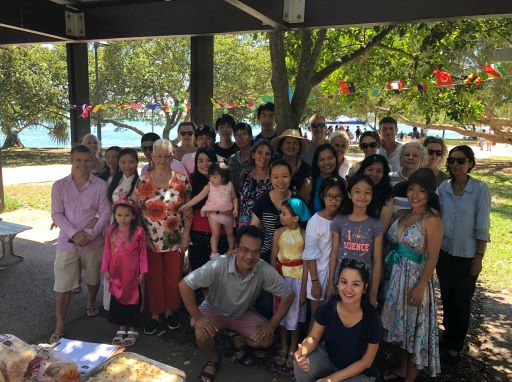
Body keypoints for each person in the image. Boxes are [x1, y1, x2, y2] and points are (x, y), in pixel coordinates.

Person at [179, 226, 294, 382]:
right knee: (201, 332)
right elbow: (184, 285)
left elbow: (288, 295)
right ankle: (213, 359)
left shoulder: (263, 269)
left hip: (241, 314)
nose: (249, 256)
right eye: (245, 250)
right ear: (236, 248)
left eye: (255, 251)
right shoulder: (220, 264)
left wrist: (272, 325)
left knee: (267, 339)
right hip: (214, 309)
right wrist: (198, 318)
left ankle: (237, 340)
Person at [380, 168, 442, 380]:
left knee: (414, 331)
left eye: (421, 191)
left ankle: (410, 378)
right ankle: (402, 369)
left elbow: (433, 257)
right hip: (396, 278)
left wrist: (421, 285)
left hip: (415, 280)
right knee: (401, 329)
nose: (414, 195)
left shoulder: (431, 220)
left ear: (429, 194)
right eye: (411, 189)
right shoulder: (402, 214)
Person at [49, 144, 111, 343]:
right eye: (78, 160)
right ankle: (60, 324)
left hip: (92, 243)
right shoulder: (59, 185)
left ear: (92, 161)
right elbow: (57, 213)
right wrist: (75, 233)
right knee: (62, 284)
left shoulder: (100, 185)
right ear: (71, 160)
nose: (82, 164)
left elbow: (106, 212)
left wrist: (90, 233)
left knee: (93, 278)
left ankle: (92, 302)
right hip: (67, 243)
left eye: (87, 160)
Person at [437, 145, 491, 365]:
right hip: (444, 254)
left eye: (460, 161)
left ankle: (456, 345)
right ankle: (448, 335)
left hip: (467, 255)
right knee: (447, 297)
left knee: (462, 301)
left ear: (470, 163)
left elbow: (482, 227)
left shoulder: (480, 190)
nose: (455, 165)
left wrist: (478, 257)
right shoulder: (443, 188)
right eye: (451, 160)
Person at [132, 139, 191, 334]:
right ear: (152, 157)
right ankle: (155, 313)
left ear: (173, 155)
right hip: (150, 239)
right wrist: (143, 236)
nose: (163, 160)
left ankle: (170, 312)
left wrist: (185, 238)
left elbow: (188, 212)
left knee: (172, 277)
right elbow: (136, 211)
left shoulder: (182, 180)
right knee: (154, 278)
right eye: (159, 156)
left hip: (175, 238)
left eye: (167, 156)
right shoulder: (143, 180)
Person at [293, 258, 381, 382]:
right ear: (337, 283)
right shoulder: (328, 306)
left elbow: (366, 362)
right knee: (301, 364)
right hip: (329, 360)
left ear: (365, 288)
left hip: (358, 374)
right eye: (344, 282)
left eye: (355, 284)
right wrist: (301, 352)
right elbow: (313, 337)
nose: (348, 289)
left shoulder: (372, 318)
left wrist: (330, 379)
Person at [328, 174, 384, 308]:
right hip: (341, 283)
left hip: (364, 285)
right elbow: (334, 254)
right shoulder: (339, 221)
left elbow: (376, 261)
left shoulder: (376, 225)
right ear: (349, 194)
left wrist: (373, 292)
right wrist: (331, 282)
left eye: (367, 192)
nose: (362, 196)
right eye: (357, 191)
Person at [101, 199, 148, 346]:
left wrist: (143, 272)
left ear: (133, 216)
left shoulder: (139, 232)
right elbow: (107, 251)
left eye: (127, 215)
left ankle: (133, 327)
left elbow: (142, 254)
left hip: (132, 273)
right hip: (116, 272)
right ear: (114, 215)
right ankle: (122, 327)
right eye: (119, 215)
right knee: (117, 298)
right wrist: (105, 269)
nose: (123, 218)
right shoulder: (111, 231)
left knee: (133, 298)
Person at [250, 159, 293, 319]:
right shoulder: (263, 200)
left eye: (284, 176)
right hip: (266, 255)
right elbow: (253, 228)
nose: (280, 181)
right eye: (276, 177)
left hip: (291, 257)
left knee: (289, 296)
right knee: (266, 301)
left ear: (290, 176)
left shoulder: (296, 201)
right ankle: (265, 333)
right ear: (270, 178)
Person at [271, 198, 311, 368]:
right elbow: (273, 257)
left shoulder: (304, 235)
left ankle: (293, 346)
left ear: (296, 218)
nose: (280, 216)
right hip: (281, 279)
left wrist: (303, 291)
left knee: (295, 315)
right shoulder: (278, 233)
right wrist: (274, 282)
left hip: (298, 280)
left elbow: (307, 262)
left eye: (284, 213)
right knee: (281, 314)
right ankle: (284, 345)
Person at [303, 176, 346, 324]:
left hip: (335, 277)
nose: (333, 200)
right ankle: (310, 346)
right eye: (329, 196)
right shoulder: (315, 221)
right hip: (318, 276)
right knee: (317, 317)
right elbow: (310, 254)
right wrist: (315, 281)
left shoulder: (342, 219)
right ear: (322, 196)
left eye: (338, 196)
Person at [103, 147, 140, 311]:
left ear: (137, 163)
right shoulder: (112, 181)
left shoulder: (140, 182)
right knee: (113, 264)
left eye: (131, 161)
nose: (127, 165)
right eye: (123, 162)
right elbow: (107, 206)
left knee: (130, 267)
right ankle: (110, 304)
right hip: (113, 226)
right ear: (118, 164)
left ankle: (132, 304)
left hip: (132, 228)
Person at [179, 162, 238, 258]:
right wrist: (187, 205)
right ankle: (214, 253)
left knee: (230, 233)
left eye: (214, 177)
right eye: (210, 176)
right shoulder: (209, 186)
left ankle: (231, 250)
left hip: (227, 211)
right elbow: (198, 197)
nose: (211, 179)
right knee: (216, 233)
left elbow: (234, 198)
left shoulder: (229, 185)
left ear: (223, 177)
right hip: (213, 211)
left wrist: (235, 208)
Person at [186, 148, 228, 271]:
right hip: (197, 233)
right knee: (200, 273)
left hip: (220, 233)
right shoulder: (191, 179)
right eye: (200, 161)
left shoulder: (224, 180)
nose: (204, 164)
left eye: (209, 160)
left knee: (219, 274)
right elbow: (188, 209)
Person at [238, 140, 273, 227]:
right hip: (244, 224)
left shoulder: (274, 178)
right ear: (253, 155)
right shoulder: (245, 175)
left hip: (264, 227)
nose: (263, 156)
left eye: (267, 154)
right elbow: (241, 200)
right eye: (260, 152)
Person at [355, 154, 393, 231]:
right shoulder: (351, 190)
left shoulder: (387, 197)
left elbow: (382, 228)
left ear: (384, 175)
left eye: (379, 171)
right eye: (370, 169)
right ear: (363, 170)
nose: (374, 174)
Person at [271, 129, 311, 198]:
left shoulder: (307, 169)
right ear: (281, 146)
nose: (291, 146)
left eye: (295, 143)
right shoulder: (273, 165)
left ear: (299, 147)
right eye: (288, 142)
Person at [302, 143, 342, 214]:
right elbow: (300, 212)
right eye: (322, 159)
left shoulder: (343, 182)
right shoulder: (309, 183)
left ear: (336, 159)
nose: (326, 162)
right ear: (316, 163)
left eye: (330, 158)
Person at [390, 142, 428, 213]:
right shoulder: (390, 178)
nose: (410, 157)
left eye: (415, 155)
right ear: (401, 158)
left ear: (421, 160)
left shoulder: (427, 181)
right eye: (407, 155)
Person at [227, 122, 253, 193]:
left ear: (251, 137)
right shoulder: (231, 159)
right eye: (237, 135)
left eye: (244, 134)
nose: (240, 138)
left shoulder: (257, 158)